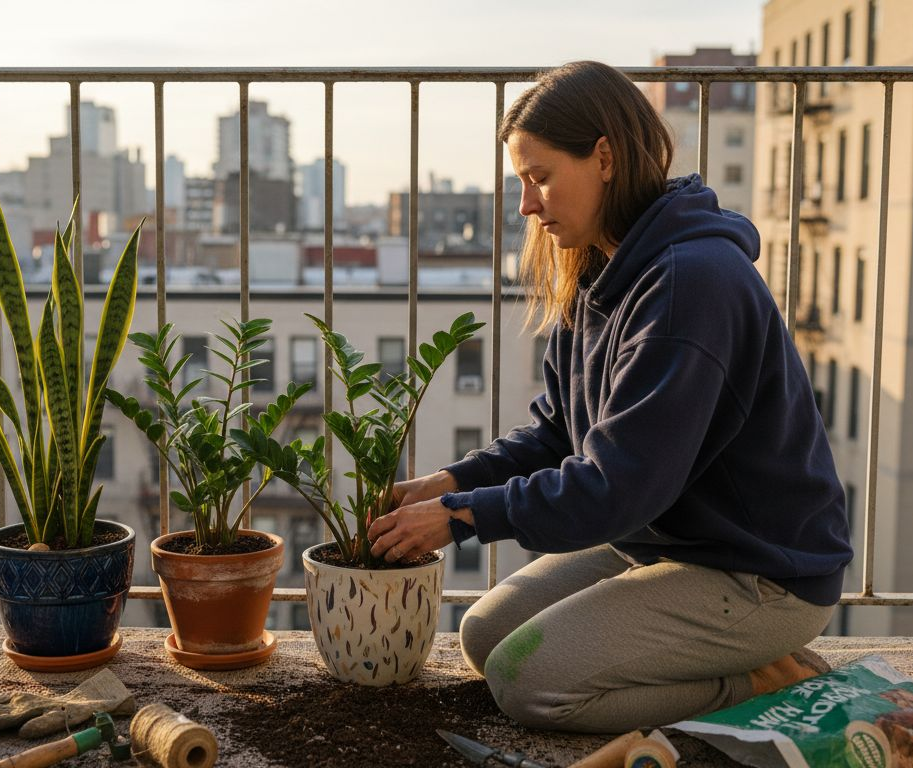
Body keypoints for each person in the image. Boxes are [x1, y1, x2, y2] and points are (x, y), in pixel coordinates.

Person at [365, 60, 853, 734]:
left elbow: (618, 487)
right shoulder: (601, 271)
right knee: (484, 637)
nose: (526, 206)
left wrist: (462, 517)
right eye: (521, 182)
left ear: (604, 158)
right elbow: (557, 434)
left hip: (760, 571)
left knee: (529, 683)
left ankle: (763, 682)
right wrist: (450, 483)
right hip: (667, 545)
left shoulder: (690, 284)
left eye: (539, 178)